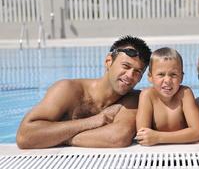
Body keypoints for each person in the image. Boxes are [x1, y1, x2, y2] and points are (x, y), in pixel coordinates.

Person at [16, 35, 152, 149]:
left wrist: (59, 137)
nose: (129, 75)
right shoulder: (67, 90)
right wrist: (93, 121)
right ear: (108, 61)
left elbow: (118, 137)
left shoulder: (133, 99)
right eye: (126, 66)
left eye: (137, 72)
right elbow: (24, 136)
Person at [135, 47, 199, 146]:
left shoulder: (185, 94)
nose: (167, 80)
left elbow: (198, 132)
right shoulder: (147, 96)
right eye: (161, 74)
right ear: (150, 77)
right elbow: (142, 136)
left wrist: (158, 137)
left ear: (181, 77)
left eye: (173, 74)